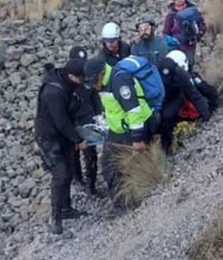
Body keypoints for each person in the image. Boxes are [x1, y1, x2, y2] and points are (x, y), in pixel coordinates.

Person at [84, 57, 160, 215]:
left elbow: (133, 111)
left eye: (94, 81)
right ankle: (121, 202)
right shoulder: (104, 83)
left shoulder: (120, 81)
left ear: (102, 72)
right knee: (108, 165)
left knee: (128, 165)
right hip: (117, 130)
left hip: (133, 129)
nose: (93, 86)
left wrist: (137, 139)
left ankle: (134, 199)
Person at [34, 58, 90, 234]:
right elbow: (61, 121)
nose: (83, 82)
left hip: (62, 135)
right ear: (73, 76)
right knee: (60, 174)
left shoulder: (68, 83)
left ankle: (66, 209)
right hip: (48, 136)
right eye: (82, 78)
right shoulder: (54, 92)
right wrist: (78, 140)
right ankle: (56, 219)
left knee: (68, 171)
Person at [157, 50, 211, 154]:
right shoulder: (157, 73)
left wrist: (206, 115)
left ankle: (166, 147)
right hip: (160, 99)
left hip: (174, 98)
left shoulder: (181, 75)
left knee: (168, 117)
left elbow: (194, 95)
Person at [68, 46, 101, 196]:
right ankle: (77, 178)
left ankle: (91, 184)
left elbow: (95, 98)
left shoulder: (89, 78)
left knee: (90, 153)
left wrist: (98, 116)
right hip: (73, 122)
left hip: (88, 119)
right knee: (73, 152)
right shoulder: (67, 82)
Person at [162, 0, 206, 71]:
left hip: (190, 46)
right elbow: (166, 33)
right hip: (176, 48)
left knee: (190, 66)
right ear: (173, 0)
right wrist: (173, 42)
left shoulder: (193, 11)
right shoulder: (171, 16)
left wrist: (199, 34)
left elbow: (202, 24)